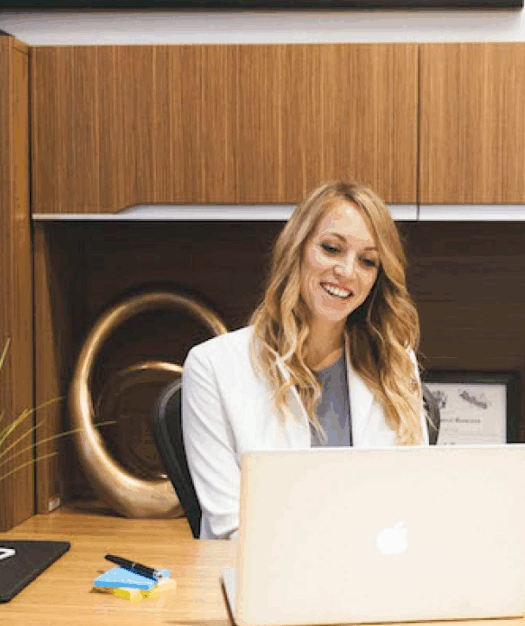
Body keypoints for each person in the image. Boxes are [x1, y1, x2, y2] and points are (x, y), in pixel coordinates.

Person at [181, 180, 429, 540]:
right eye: (331, 248)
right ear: (297, 249)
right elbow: (229, 524)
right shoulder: (212, 367)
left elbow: (413, 501)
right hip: (262, 578)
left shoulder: (394, 360)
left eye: (367, 261)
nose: (346, 271)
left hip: (372, 576)